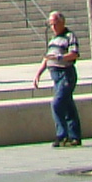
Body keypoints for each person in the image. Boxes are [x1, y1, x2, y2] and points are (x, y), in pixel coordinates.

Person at [32, 10, 82, 147]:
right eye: (51, 24)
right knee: (68, 105)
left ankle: (62, 135)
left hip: (66, 74)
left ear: (62, 22)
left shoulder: (69, 36)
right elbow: (47, 58)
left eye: (55, 24)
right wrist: (38, 74)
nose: (53, 27)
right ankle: (75, 136)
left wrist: (60, 57)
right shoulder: (52, 40)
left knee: (57, 103)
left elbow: (74, 54)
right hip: (55, 76)